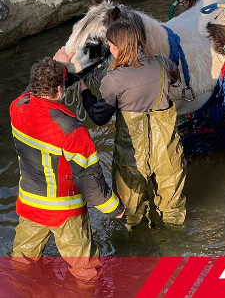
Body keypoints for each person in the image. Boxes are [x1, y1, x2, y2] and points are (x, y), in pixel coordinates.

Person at [10, 56, 125, 281]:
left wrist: (56, 62)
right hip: (65, 212)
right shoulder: (72, 131)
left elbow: (28, 92)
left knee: (22, 263)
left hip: (30, 205)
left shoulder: (17, 108)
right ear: (61, 90)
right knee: (86, 272)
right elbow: (90, 181)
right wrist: (115, 208)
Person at [80, 19, 186, 229]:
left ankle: (135, 249)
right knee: (172, 205)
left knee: (130, 209)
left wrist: (84, 92)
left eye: (110, 44)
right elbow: (176, 79)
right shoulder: (163, 63)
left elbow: (99, 116)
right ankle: (175, 245)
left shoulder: (114, 80)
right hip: (167, 149)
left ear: (116, 47)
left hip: (132, 155)